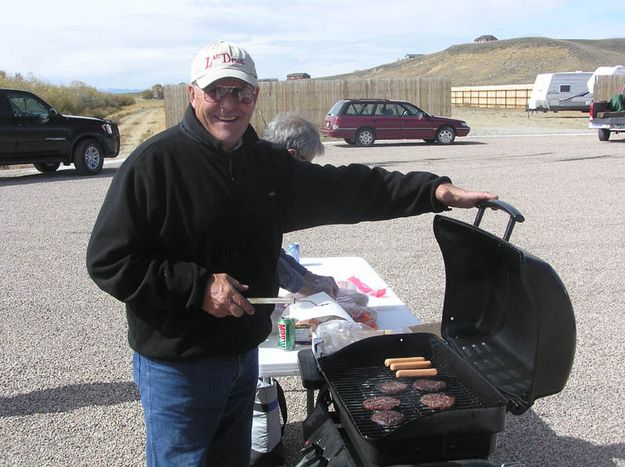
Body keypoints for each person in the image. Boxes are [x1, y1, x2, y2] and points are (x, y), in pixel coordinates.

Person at [86, 40, 498, 467]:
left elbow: (346, 188)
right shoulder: (155, 164)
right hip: (179, 366)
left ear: (255, 96)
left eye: (241, 92)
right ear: (193, 94)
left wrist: (432, 191)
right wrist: (199, 285)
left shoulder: (264, 162)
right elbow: (109, 260)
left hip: (242, 356)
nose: (229, 104)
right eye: (216, 92)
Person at [262, 112, 338, 298]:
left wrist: (309, 277)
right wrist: (305, 287)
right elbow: (259, 253)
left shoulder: (267, 175)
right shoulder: (256, 184)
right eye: (307, 165)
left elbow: (271, 249)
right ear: (291, 156)